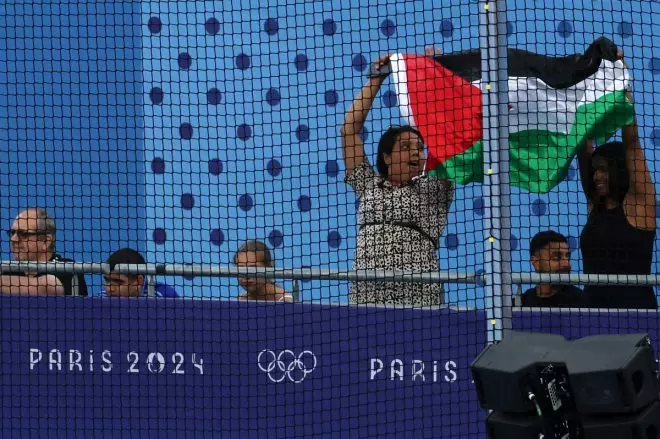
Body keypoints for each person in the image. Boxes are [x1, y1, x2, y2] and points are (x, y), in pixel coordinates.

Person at [340, 52, 454, 307]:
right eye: (405, 147)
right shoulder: (368, 185)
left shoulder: (433, 187)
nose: (416, 151)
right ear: (387, 157)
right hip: (367, 296)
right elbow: (349, 131)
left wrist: (431, 74)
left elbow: (442, 132)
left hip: (418, 296)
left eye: (419, 147)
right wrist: (377, 78)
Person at [577, 84, 657, 309]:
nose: (596, 176)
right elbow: (583, 144)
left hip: (635, 315)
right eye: (594, 171)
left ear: (619, 168)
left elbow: (632, 144)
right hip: (591, 314)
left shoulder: (639, 204)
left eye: (603, 169)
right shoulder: (596, 205)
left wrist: (623, 86)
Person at [0, 208, 87, 296]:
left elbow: (48, 287)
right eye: (12, 233)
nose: (13, 239)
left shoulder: (67, 269)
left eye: (23, 234)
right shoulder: (9, 271)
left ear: (46, 241)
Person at [521, 231, 585, 308]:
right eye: (557, 257)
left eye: (568, 257)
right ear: (536, 262)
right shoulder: (524, 301)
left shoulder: (580, 301)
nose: (566, 264)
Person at [101, 248, 178, 297]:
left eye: (118, 282)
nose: (109, 288)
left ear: (138, 281)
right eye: (107, 280)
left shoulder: (165, 296)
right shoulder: (103, 298)